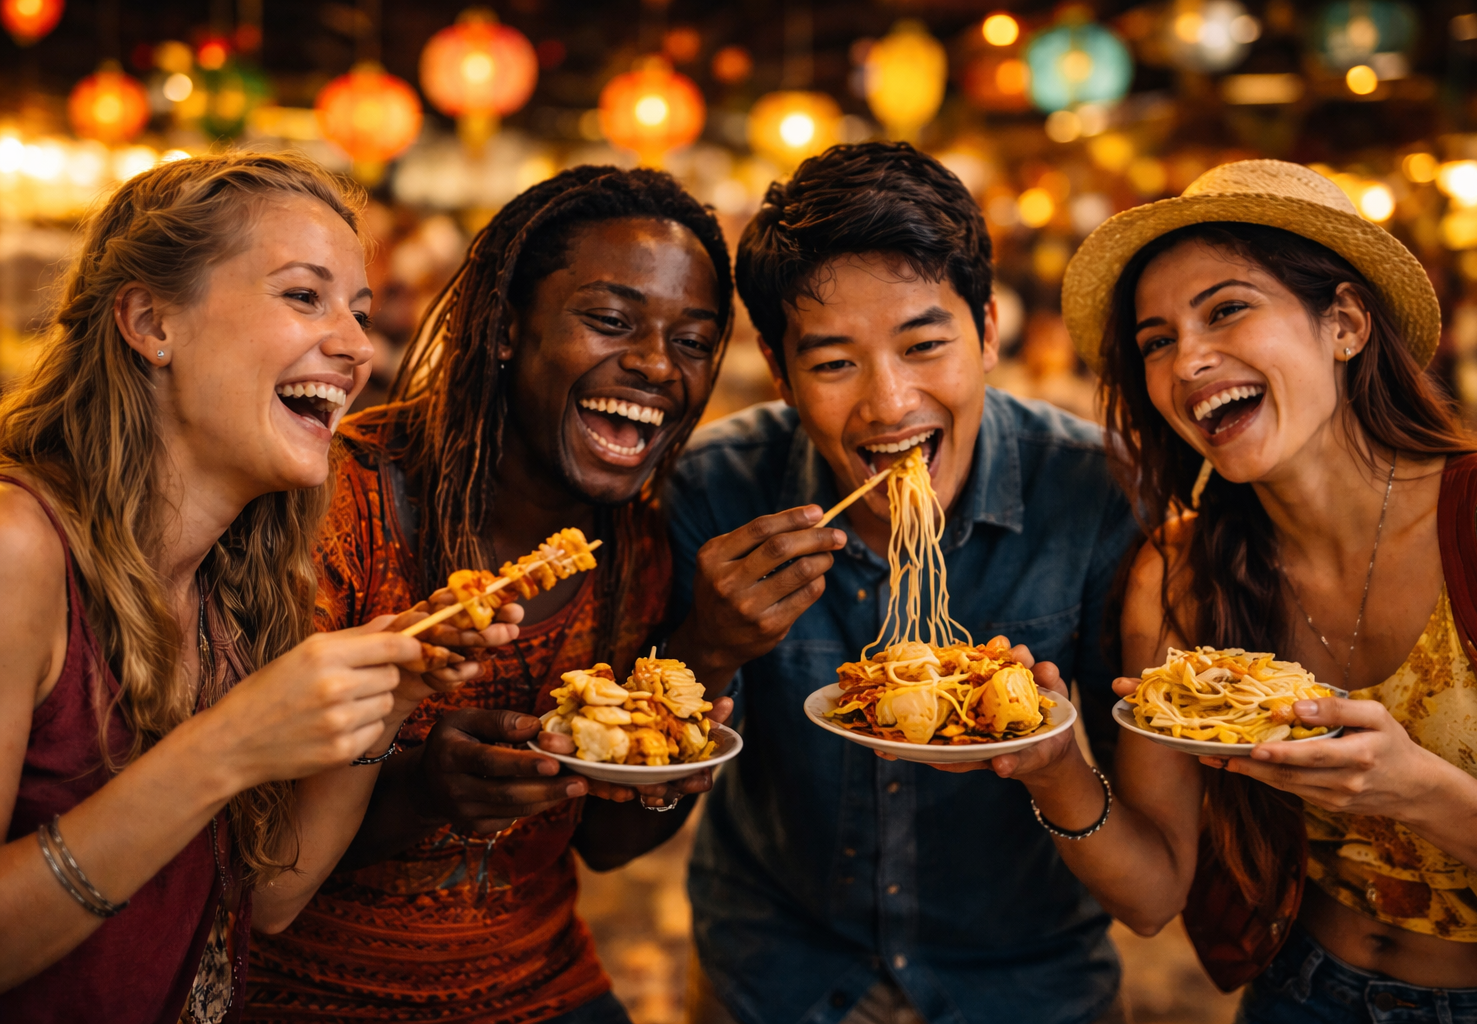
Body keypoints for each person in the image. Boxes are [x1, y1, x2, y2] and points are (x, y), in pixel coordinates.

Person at [971, 159, 1477, 1022]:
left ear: (1343, 323)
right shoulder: (1181, 573)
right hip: (1299, 994)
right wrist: (1054, 768)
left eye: (1227, 309)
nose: (1188, 360)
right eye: (1157, 341)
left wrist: (1413, 786)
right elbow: (1153, 893)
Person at [247, 166, 737, 1024]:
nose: (659, 364)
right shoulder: (336, 503)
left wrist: (711, 654)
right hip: (307, 995)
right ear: (507, 328)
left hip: (543, 987)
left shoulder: (639, 552)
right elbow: (244, 860)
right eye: (610, 321)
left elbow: (614, 847)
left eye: (693, 341)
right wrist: (422, 790)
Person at [664, 142, 1141, 1024]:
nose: (889, 405)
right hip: (775, 977)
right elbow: (631, 815)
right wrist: (707, 650)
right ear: (778, 370)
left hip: (1027, 984)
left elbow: (1148, 867)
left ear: (990, 332)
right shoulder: (716, 490)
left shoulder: (1093, 494)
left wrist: (1056, 766)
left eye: (925, 344)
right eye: (835, 362)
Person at [0, 153, 480, 1022]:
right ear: (151, 322)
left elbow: (270, 901)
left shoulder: (238, 586)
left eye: (360, 312)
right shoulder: (17, 550)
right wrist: (228, 745)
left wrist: (388, 703)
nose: (356, 347)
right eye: (304, 296)